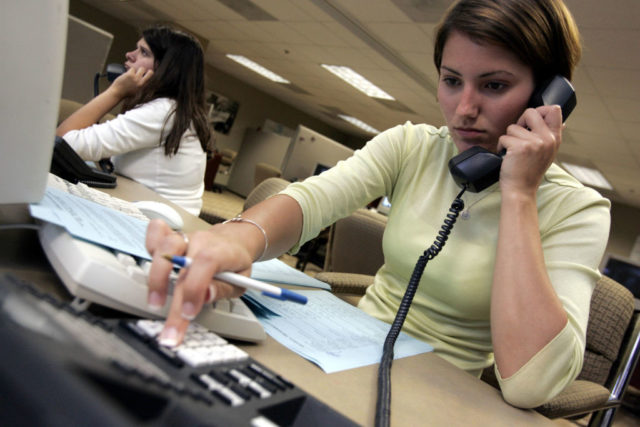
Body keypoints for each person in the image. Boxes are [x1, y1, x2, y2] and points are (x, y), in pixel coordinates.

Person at [145, 0, 611, 408]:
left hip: (439, 394)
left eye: (492, 86)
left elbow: (531, 386)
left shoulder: (578, 209)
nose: (463, 109)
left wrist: (519, 193)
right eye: (451, 80)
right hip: (341, 349)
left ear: (547, 99)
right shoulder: (412, 146)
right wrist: (237, 240)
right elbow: (313, 199)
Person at [56, 26, 211, 216]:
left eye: (143, 52)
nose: (129, 54)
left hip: (155, 222)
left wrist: (115, 92)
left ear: (166, 69)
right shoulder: (174, 110)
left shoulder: (163, 112)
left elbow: (62, 142)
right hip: (151, 210)